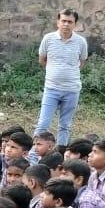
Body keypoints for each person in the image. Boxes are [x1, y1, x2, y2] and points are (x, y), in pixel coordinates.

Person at [36, 9, 87, 146]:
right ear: (58, 22)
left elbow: (81, 63)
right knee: (43, 124)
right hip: (51, 89)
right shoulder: (48, 39)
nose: (66, 24)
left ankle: (61, 153)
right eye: (63, 21)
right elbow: (42, 60)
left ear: (75, 24)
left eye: (70, 22)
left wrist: (68, 74)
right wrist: (55, 73)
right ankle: (34, 154)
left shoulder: (81, 42)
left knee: (65, 125)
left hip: (72, 90)